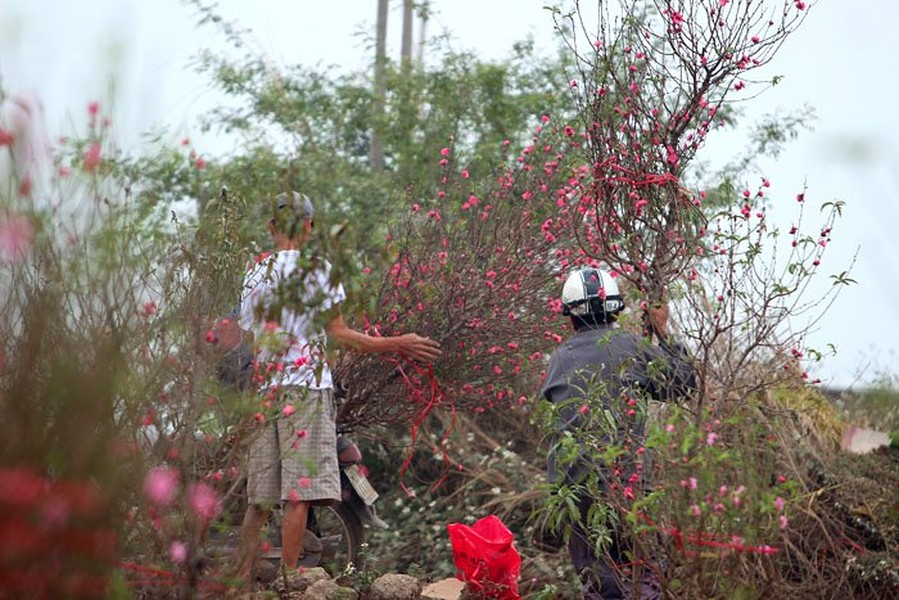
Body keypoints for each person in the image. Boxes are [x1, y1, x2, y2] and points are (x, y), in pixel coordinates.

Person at [236, 190, 441, 579]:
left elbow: (251, 340)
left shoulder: (255, 272)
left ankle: (237, 581)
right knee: (297, 494)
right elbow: (341, 335)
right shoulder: (320, 270)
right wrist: (397, 343)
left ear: (271, 228)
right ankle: (290, 582)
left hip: (265, 393)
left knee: (259, 499)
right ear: (310, 227)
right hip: (306, 390)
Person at [541, 267, 696, 599]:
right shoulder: (631, 346)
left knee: (599, 585)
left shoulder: (558, 358)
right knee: (644, 579)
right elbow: (683, 385)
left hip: (574, 493)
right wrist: (662, 331)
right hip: (628, 488)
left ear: (569, 316)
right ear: (615, 309)